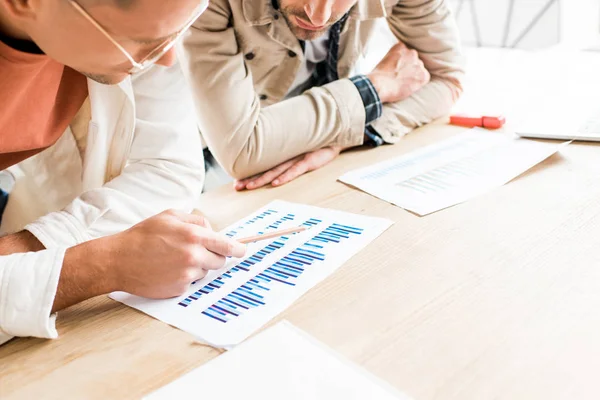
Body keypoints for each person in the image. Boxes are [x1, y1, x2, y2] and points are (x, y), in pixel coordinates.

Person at [0, 0, 246, 345]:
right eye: (142, 40)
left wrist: (31, 252)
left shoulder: (148, 22)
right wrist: (101, 264)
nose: (168, 58)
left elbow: (170, 170)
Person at [179, 0, 465, 191]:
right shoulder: (207, 4)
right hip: (198, 161)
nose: (319, 15)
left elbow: (446, 79)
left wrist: (345, 138)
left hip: (315, 163)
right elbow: (242, 152)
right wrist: (373, 89)